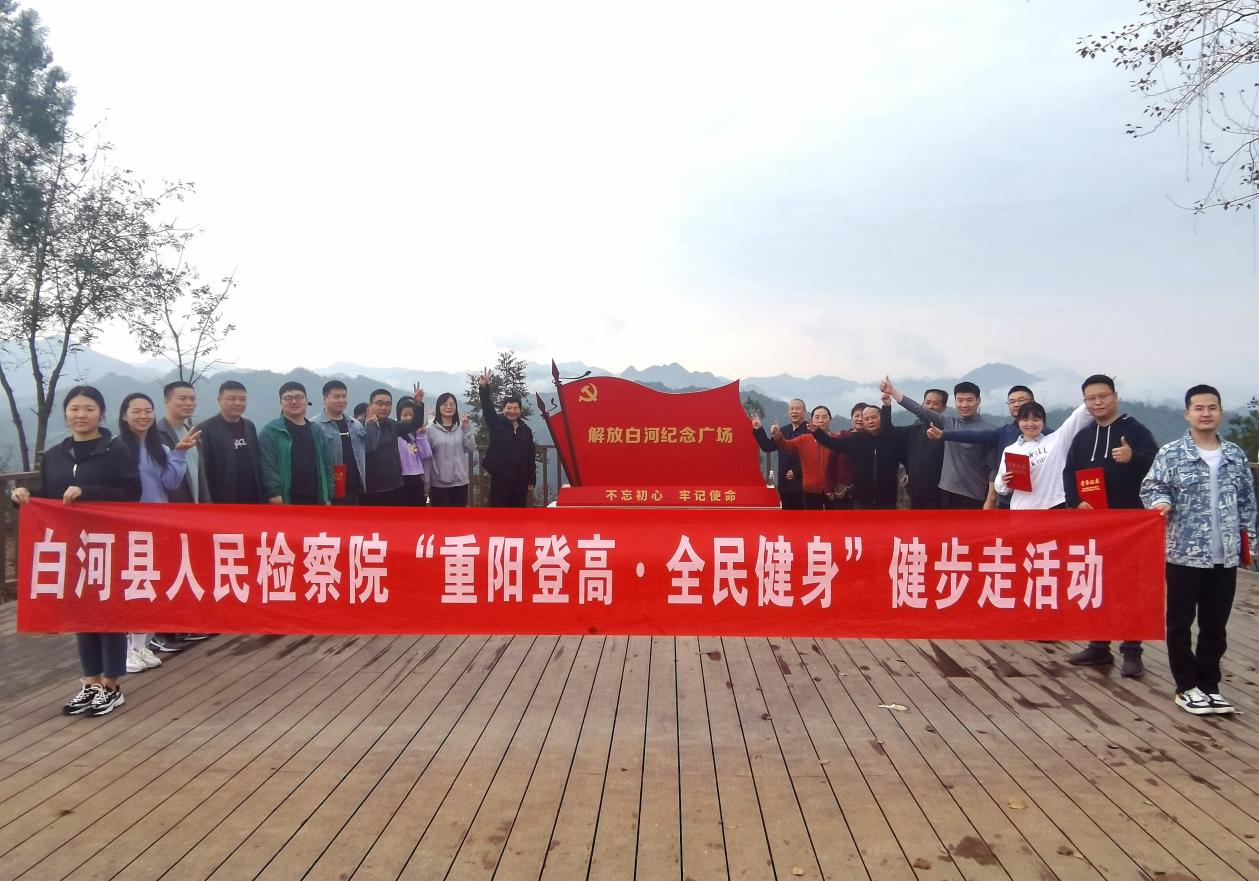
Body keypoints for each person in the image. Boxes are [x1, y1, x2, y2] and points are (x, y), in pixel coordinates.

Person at [10, 386, 140, 717]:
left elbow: (131, 492)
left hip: (107, 543)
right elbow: (48, 495)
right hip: (71, 544)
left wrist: (87, 492)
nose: (81, 415)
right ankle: (91, 682)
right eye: (74, 409)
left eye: (89, 408)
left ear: (101, 414)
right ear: (66, 413)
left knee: (108, 614)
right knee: (82, 613)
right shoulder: (56, 454)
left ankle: (111, 685)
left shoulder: (117, 450)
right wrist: (24, 496)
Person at [1141, 384, 1257, 716]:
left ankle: (1209, 686)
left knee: (1215, 624)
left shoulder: (1234, 455)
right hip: (1183, 553)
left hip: (1225, 554)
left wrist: (1251, 543)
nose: (1206, 413)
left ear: (1220, 412)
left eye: (1212, 407)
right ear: (1187, 413)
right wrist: (1161, 502)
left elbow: (1247, 502)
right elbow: (1152, 486)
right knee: (1180, 622)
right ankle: (1186, 687)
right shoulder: (1171, 453)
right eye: (1199, 408)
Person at [1063, 374, 1159, 677]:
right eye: (1091, 399)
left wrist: (1134, 457)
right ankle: (1099, 645)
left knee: (1129, 587)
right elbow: (1068, 473)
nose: (1098, 402)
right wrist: (1076, 501)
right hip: (1094, 524)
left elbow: (1160, 468)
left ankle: (1132, 651)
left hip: (1130, 523)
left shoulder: (1135, 431)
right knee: (1097, 583)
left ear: (1115, 396)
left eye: (1103, 396)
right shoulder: (1083, 436)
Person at [118, 392, 199, 674]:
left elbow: (171, 483)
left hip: (157, 526)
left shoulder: (159, 448)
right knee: (131, 586)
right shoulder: (117, 449)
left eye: (147, 411)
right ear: (124, 416)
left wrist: (179, 454)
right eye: (136, 411)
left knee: (149, 585)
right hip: (128, 527)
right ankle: (125, 648)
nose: (143, 416)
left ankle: (141, 644)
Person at [884, 377, 995, 509]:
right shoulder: (948, 423)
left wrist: (991, 498)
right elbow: (919, 410)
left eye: (969, 400)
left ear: (978, 400)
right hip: (946, 494)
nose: (964, 405)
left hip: (974, 496)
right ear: (955, 402)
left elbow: (993, 467)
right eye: (960, 400)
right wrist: (893, 391)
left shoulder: (990, 430)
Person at [929, 385, 1040, 509]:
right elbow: (975, 436)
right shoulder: (1005, 432)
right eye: (1012, 401)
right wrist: (944, 434)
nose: (1017, 404)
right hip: (1007, 501)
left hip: (1038, 500)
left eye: (1021, 400)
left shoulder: (1048, 437)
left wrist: (991, 499)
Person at [992, 400, 1092, 509]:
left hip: (1054, 507)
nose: (1030, 424)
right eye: (1025, 420)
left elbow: (1080, 415)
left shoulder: (1057, 440)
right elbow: (1001, 488)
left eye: (1036, 419)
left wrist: (1093, 398)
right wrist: (1004, 480)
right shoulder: (1011, 450)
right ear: (1018, 422)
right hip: (1022, 509)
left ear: (1043, 422)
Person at [808, 399, 901, 509]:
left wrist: (886, 406)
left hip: (888, 500)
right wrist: (817, 432)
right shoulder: (855, 439)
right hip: (861, 500)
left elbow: (904, 453)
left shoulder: (890, 438)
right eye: (865, 418)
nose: (869, 421)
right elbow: (832, 443)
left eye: (873, 418)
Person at [259, 381, 334, 505]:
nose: (294, 402)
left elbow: (327, 465)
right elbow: (267, 467)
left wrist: (329, 495)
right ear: (280, 402)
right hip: (285, 500)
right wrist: (274, 494)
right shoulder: (271, 431)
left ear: (306, 400)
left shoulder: (317, 431)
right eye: (288, 398)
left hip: (316, 499)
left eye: (299, 397)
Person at [312, 380, 378, 506]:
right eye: (336, 397)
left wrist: (371, 426)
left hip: (354, 490)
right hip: (329, 493)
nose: (341, 400)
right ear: (325, 398)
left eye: (344, 396)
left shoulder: (355, 424)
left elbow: (370, 448)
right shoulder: (315, 426)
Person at [197, 380, 263, 505]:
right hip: (223, 500)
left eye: (242, 399)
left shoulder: (249, 426)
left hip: (253, 499)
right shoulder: (205, 429)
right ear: (219, 400)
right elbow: (203, 471)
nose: (238, 403)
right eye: (232, 398)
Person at [759, 407, 837, 510]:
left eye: (824, 417)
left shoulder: (837, 439)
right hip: (810, 491)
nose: (820, 420)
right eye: (817, 417)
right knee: (810, 519)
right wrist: (779, 436)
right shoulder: (804, 439)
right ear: (812, 420)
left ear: (830, 419)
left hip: (832, 490)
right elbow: (787, 446)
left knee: (834, 519)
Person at [479, 370, 536, 507]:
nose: (512, 411)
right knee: (499, 513)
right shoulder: (496, 423)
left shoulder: (526, 430)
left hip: (520, 480)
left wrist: (531, 479)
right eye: (508, 408)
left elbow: (530, 456)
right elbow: (487, 407)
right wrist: (484, 388)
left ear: (520, 410)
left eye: (515, 408)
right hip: (500, 478)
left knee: (518, 514)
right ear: (503, 409)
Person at [362, 385, 425, 506]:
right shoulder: (360, 426)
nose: (384, 407)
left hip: (395, 484)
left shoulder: (393, 425)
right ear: (370, 405)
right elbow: (369, 447)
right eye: (379, 403)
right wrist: (370, 426)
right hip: (372, 488)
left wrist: (417, 404)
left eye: (388, 404)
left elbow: (413, 425)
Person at [891, 388, 948, 509]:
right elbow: (891, 434)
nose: (931, 406)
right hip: (914, 494)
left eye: (935, 403)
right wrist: (886, 407)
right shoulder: (914, 430)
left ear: (944, 408)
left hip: (939, 496)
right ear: (922, 404)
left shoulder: (948, 432)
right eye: (928, 402)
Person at [155, 380, 208, 503]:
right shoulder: (157, 436)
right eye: (182, 399)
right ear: (167, 402)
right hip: (173, 509)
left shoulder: (192, 433)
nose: (189, 403)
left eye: (192, 399)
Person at [752, 398, 808, 509]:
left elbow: (813, 458)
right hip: (784, 485)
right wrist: (759, 428)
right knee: (787, 518)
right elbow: (767, 447)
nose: (794, 411)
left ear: (804, 411)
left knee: (803, 518)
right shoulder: (783, 431)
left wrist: (797, 471)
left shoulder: (810, 431)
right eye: (792, 409)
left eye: (798, 408)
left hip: (803, 485)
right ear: (788, 412)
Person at [427, 392, 476, 507]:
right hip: (439, 483)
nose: (449, 407)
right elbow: (427, 457)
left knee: (459, 517)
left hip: (460, 482)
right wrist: (426, 482)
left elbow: (471, 448)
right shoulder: (430, 430)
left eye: (452, 404)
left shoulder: (461, 427)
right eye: (444, 404)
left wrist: (467, 429)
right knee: (441, 517)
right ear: (438, 407)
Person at [395, 396, 433, 505]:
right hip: (399, 478)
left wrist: (421, 437)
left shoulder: (417, 434)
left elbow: (426, 454)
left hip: (417, 477)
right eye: (404, 415)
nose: (408, 418)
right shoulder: (395, 434)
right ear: (399, 416)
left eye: (411, 415)